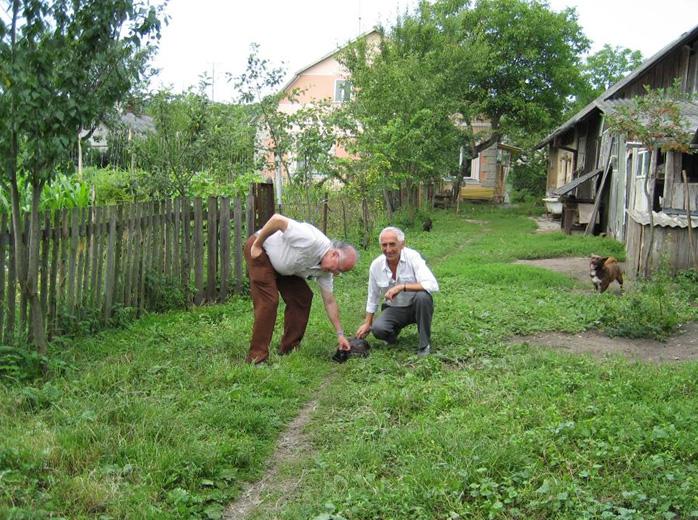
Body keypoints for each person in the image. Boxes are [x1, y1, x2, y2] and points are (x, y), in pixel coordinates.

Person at [245, 213, 358, 364]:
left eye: (340, 272)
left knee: (302, 297)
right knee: (269, 301)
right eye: (339, 269)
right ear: (334, 254)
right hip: (261, 251)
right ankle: (257, 357)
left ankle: (289, 348)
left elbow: (330, 301)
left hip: (285, 267)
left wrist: (340, 334)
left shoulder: (325, 271)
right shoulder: (311, 241)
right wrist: (257, 244)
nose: (336, 273)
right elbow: (277, 220)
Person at [355, 226, 438, 356]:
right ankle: (392, 335)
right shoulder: (376, 266)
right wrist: (368, 323)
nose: (388, 250)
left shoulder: (413, 257)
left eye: (392, 244)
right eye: (384, 245)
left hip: (417, 306)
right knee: (378, 329)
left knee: (423, 297)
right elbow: (373, 296)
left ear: (402, 244)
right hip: (394, 308)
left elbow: (432, 284)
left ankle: (424, 345)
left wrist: (401, 287)